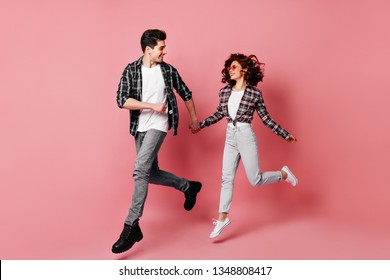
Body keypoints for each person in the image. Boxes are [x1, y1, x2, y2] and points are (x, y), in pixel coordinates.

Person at [112, 29, 202, 254]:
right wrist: (151, 106)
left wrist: (193, 119)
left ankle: (131, 226)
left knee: (140, 170)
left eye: (164, 47)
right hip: (139, 127)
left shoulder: (168, 71)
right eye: (161, 47)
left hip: (159, 126)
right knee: (150, 174)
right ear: (148, 50)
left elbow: (186, 93)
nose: (165, 51)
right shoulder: (131, 70)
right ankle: (188, 186)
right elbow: (122, 100)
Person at [195, 53, 298, 239]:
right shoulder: (224, 92)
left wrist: (285, 134)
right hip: (230, 136)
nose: (230, 70)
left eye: (233, 67)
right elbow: (219, 114)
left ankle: (283, 174)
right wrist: (200, 125)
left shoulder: (254, 93)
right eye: (229, 67)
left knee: (255, 180)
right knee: (226, 178)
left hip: (245, 135)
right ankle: (222, 218)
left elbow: (266, 119)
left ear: (244, 70)